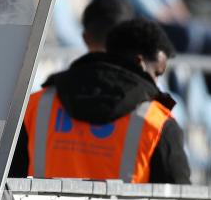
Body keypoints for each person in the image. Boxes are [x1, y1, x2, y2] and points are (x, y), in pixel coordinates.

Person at [13, 18, 191, 184]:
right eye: (157, 73)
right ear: (140, 63)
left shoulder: (36, 105)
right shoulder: (156, 123)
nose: (157, 83)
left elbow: (5, 188)